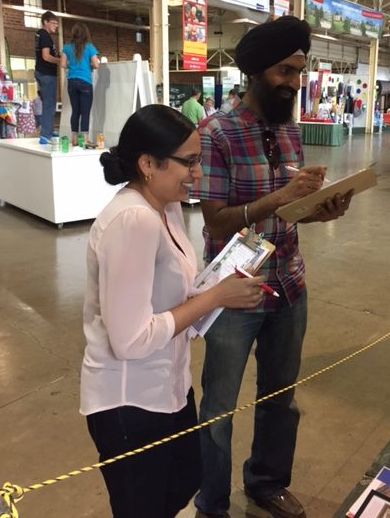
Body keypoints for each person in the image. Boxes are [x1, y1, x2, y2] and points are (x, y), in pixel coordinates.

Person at [194, 16, 353, 518]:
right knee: (218, 407)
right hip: (234, 292)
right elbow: (217, 223)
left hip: (290, 284)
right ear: (257, 71)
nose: (293, 83)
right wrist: (283, 195)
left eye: (299, 72)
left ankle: (265, 482)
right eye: (285, 71)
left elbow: (290, 211)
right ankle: (212, 503)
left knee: (280, 397)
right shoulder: (216, 133)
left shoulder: (289, 130)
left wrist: (322, 207)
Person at [80, 104, 265, 518]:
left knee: (185, 478)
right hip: (129, 402)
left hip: (168, 386)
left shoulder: (166, 208)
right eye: (190, 162)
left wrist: (222, 284)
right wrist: (216, 299)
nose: (198, 173)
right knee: (143, 507)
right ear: (148, 163)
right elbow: (130, 341)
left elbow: (176, 296)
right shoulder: (133, 220)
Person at [61, 23, 99, 146]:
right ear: (85, 34)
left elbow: (62, 64)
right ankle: (85, 140)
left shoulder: (66, 47)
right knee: (85, 112)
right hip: (85, 82)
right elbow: (96, 64)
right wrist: (89, 66)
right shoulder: (89, 47)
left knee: (75, 111)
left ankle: (75, 139)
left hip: (71, 82)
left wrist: (72, 66)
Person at [35, 10, 60, 143]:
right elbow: (46, 56)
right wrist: (60, 61)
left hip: (42, 72)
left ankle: (48, 130)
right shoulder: (44, 35)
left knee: (48, 103)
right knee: (49, 104)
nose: (56, 26)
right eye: (53, 23)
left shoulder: (40, 34)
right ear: (45, 22)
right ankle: (45, 135)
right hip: (46, 73)